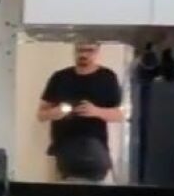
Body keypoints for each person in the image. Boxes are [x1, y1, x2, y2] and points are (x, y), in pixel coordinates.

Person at [36, 42, 124, 182]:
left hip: (94, 146)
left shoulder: (107, 77)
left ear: (98, 52)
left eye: (89, 50)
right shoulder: (60, 77)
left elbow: (119, 115)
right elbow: (41, 115)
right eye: (79, 50)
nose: (83, 54)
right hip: (63, 147)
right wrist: (56, 112)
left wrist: (96, 111)